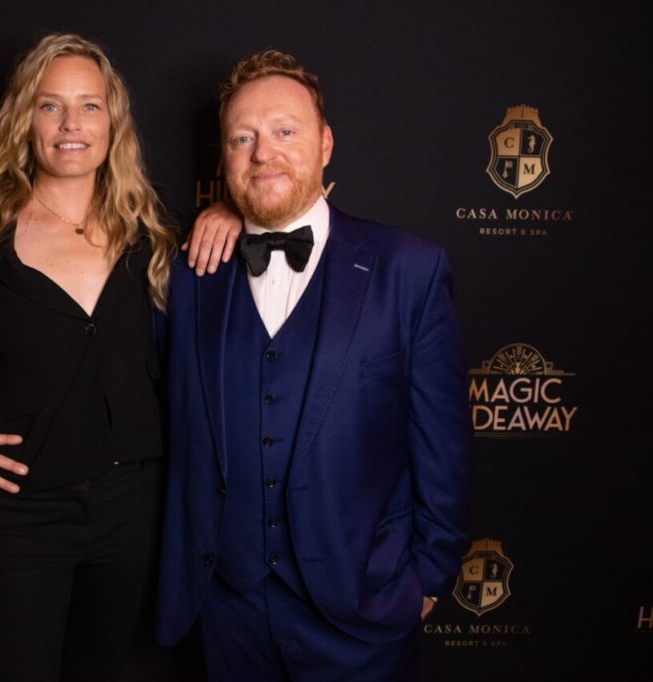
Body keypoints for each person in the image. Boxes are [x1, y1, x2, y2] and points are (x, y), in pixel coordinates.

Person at [0, 33, 236, 682]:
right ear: (22, 118)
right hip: (20, 519)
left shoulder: (153, 226)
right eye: (50, 106)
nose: (71, 125)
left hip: (132, 513)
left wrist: (225, 209)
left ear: (113, 122)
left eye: (89, 106)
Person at [152, 50, 472, 681]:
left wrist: (428, 578)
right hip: (226, 615)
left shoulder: (409, 269)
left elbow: (442, 443)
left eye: (285, 132)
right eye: (242, 138)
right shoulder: (186, 276)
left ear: (326, 144)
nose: (262, 152)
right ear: (223, 157)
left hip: (362, 611)